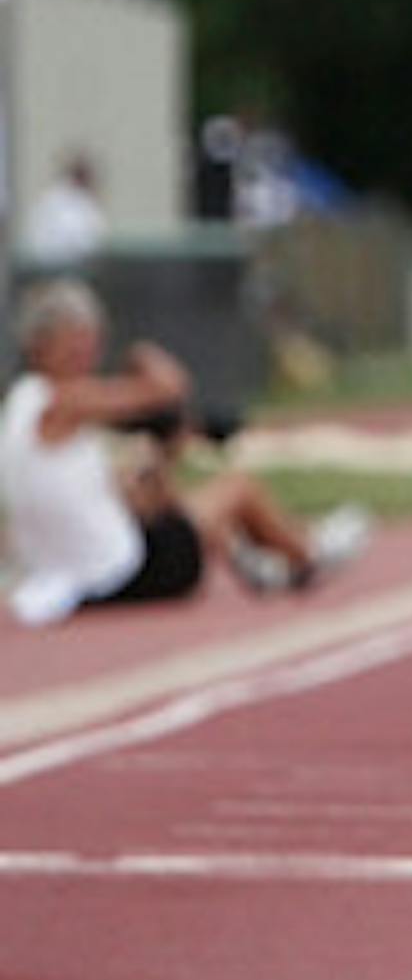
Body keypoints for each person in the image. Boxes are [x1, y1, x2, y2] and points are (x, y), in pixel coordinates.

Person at [3, 280, 369, 627]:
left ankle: (253, 556)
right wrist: (143, 355)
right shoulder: (63, 400)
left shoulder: (21, 405)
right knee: (238, 489)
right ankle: (309, 555)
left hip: (65, 575)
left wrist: (159, 457)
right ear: (43, 344)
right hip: (122, 574)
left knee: (157, 494)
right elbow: (168, 386)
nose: (89, 355)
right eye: (80, 343)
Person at [23, 151, 108, 273]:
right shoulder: (58, 200)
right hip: (56, 267)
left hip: (75, 267)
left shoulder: (85, 201)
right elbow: (82, 240)